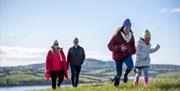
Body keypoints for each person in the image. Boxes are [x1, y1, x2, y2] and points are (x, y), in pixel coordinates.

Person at [108, 18, 136, 87]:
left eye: (129, 28)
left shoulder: (131, 36)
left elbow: (132, 44)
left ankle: (126, 74)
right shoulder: (116, 35)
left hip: (127, 55)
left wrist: (134, 51)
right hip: (118, 57)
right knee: (118, 74)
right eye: (126, 27)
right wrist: (120, 47)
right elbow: (109, 46)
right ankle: (116, 86)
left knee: (131, 66)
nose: (128, 29)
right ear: (123, 27)